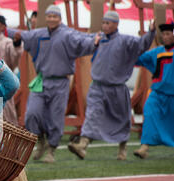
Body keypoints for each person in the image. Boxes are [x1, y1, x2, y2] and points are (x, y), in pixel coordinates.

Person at [7, 4, 100, 163]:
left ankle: (51, 150)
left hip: (60, 82)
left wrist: (95, 40)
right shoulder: (39, 33)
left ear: (60, 18)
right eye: (49, 16)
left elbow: (83, 39)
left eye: (54, 16)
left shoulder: (68, 34)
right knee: (32, 113)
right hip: (41, 80)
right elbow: (22, 35)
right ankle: (40, 140)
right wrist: (3, 28)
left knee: (56, 117)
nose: (51, 19)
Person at [67, 11, 155, 160]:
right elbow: (80, 41)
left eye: (108, 23)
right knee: (92, 115)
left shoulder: (126, 41)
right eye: (104, 23)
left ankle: (122, 148)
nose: (105, 26)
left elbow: (142, 44)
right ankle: (82, 145)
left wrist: (151, 32)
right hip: (97, 87)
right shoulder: (98, 39)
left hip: (117, 88)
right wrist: (92, 42)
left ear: (116, 24)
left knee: (122, 119)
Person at [133, 21, 174, 159]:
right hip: (157, 93)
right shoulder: (156, 52)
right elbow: (137, 60)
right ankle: (144, 147)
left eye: (168, 33)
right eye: (163, 34)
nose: (165, 37)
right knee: (149, 113)